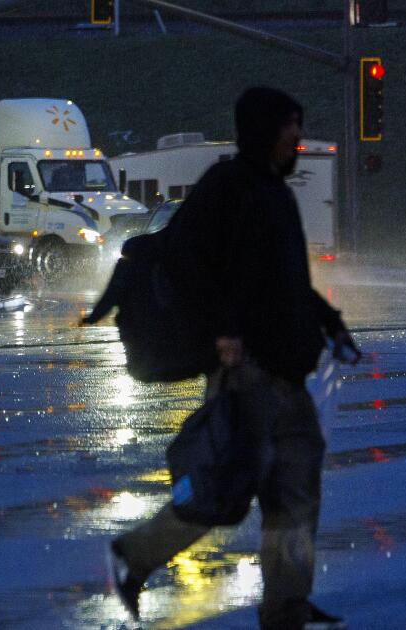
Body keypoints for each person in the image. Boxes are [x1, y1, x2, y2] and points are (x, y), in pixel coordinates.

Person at [106, 87, 361, 630]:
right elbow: (189, 264)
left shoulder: (275, 193)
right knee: (228, 489)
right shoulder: (227, 189)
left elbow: (286, 281)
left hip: (286, 374)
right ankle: (138, 553)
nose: (298, 136)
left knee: (294, 486)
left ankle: (287, 603)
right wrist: (222, 332)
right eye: (292, 125)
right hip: (246, 371)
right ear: (266, 130)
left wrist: (329, 323)